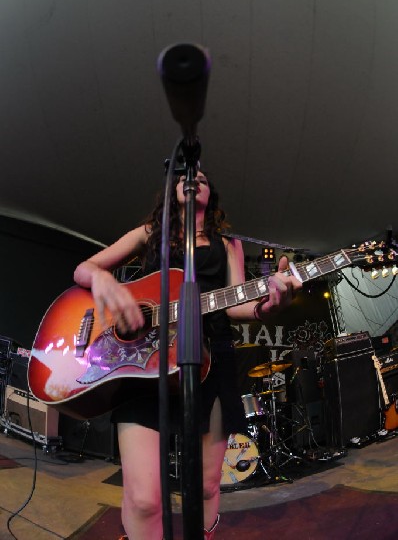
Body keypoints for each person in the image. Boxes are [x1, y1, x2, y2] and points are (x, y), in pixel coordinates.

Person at [73, 170, 302, 540]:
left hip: (212, 361)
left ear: (211, 196)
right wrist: (101, 277)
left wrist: (267, 308)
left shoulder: (227, 244)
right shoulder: (149, 233)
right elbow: (84, 268)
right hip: (141, 368)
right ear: (171, 190)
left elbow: (235, 303)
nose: (193, 177)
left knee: (207, 488)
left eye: (203, 177)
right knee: (146, 499)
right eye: (185, 174)